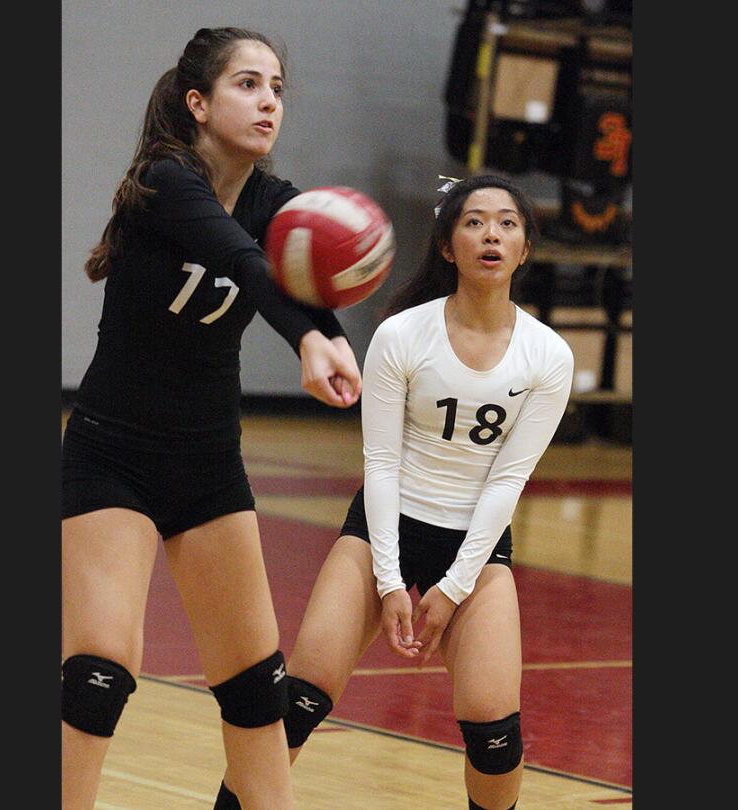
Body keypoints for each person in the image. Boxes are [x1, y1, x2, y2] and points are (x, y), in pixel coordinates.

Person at [61, 27, 362, 810]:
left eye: (277, 89)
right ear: (198, 102)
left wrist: (331, 334)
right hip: (111, 454)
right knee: (99, 674)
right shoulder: (168, 179)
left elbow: (298, 282)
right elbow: (241, 260)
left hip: (206, 464)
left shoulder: (278, 203)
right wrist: (306, 339)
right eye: (247, 84)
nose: (268, 102)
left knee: (257, 689)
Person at [219, 174, 573, 810]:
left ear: (525, 249)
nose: (490, 233)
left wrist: (454, 587)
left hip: (476, 544)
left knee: (495, 736)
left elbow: (508, 480)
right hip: (385, 525)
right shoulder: (403, 334)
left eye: (507, 223)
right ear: (446, 245)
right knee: (295, 705)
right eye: (473, 221)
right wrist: (389, 581)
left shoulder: (548, 354)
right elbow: (379, 463)